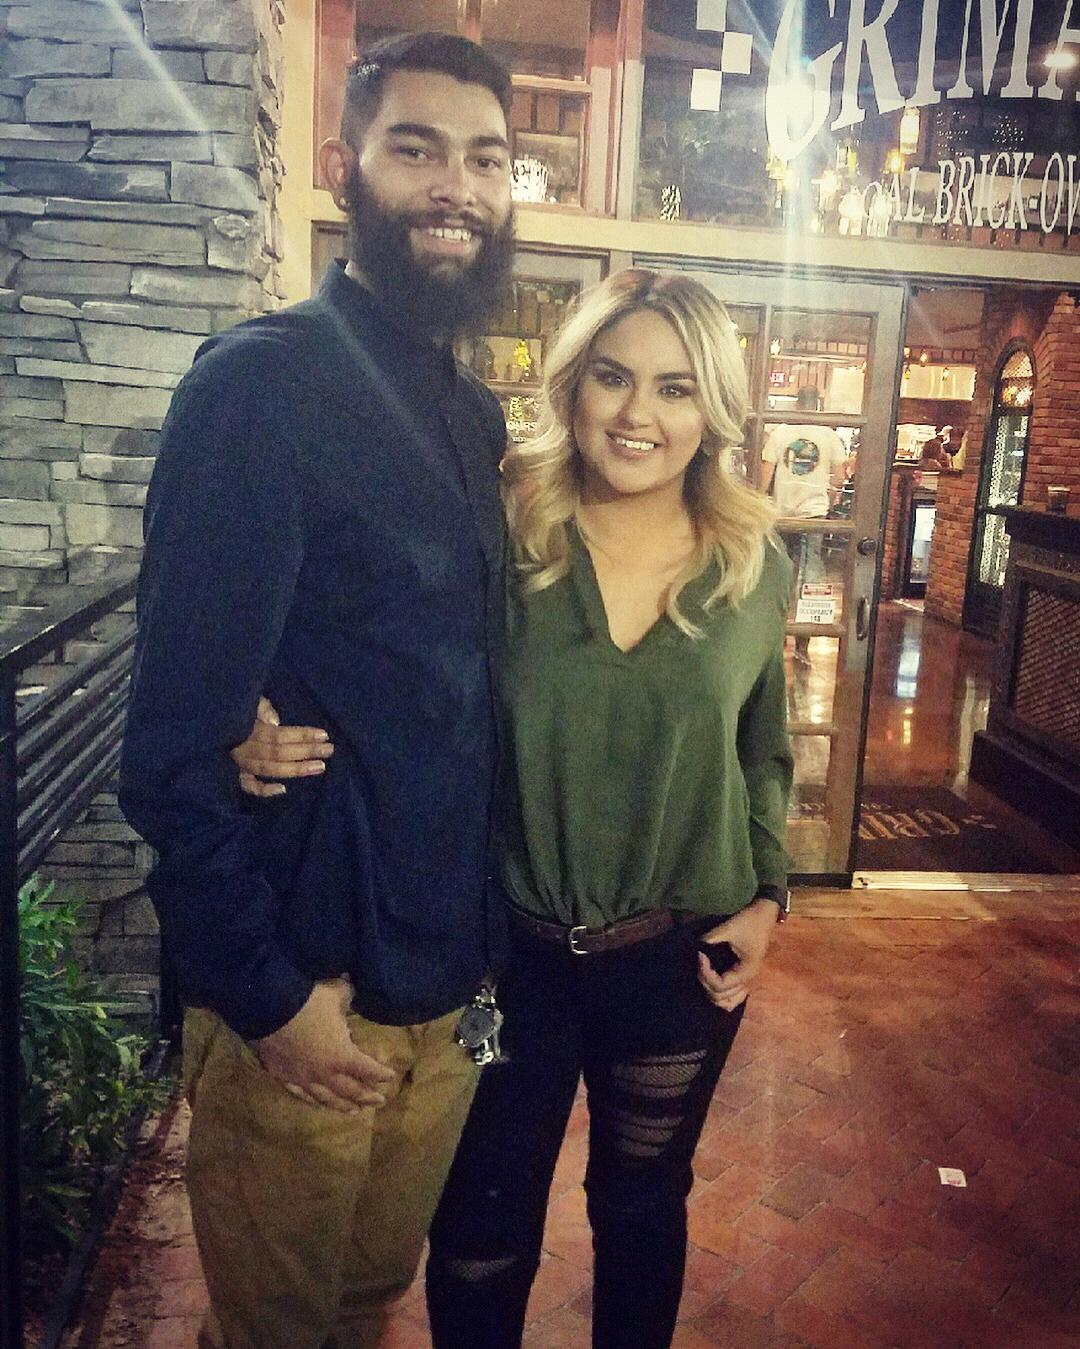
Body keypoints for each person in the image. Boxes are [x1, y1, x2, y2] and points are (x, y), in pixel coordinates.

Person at [236, 270, 794, 1348]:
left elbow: (763, 751)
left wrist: (770, 896)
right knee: (479, 1231)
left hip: (677, 963)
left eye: (676, 387)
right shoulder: (503, 526)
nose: (639, 414)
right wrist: (245, 709)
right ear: (572, 387)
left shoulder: (753, 563)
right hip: (504, 957)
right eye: (614, 377)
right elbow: (374, 641)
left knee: (642, 1207)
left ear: (715, 408)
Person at [118, 32, 515, 1349]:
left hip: (446, 995)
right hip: (308, 989)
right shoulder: (260, 387)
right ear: (345, 169)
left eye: (487, 159)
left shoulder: (474, 416)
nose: (456, 185)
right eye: (418, 149)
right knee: (274, 1331)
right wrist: (264, 992)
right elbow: (170, 748)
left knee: (364, 1304)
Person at [758, 386, 848, 665]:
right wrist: (830, 497)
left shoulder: (781, 433)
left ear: (797, 405)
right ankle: (802, 643)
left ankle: (777, 637)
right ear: (818, 405)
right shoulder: (829, 435)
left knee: (778, 574)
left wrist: (759, 504)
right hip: (814, 514)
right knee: (810, 575)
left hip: (781, 514)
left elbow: (765, 474)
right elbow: (840, 476)